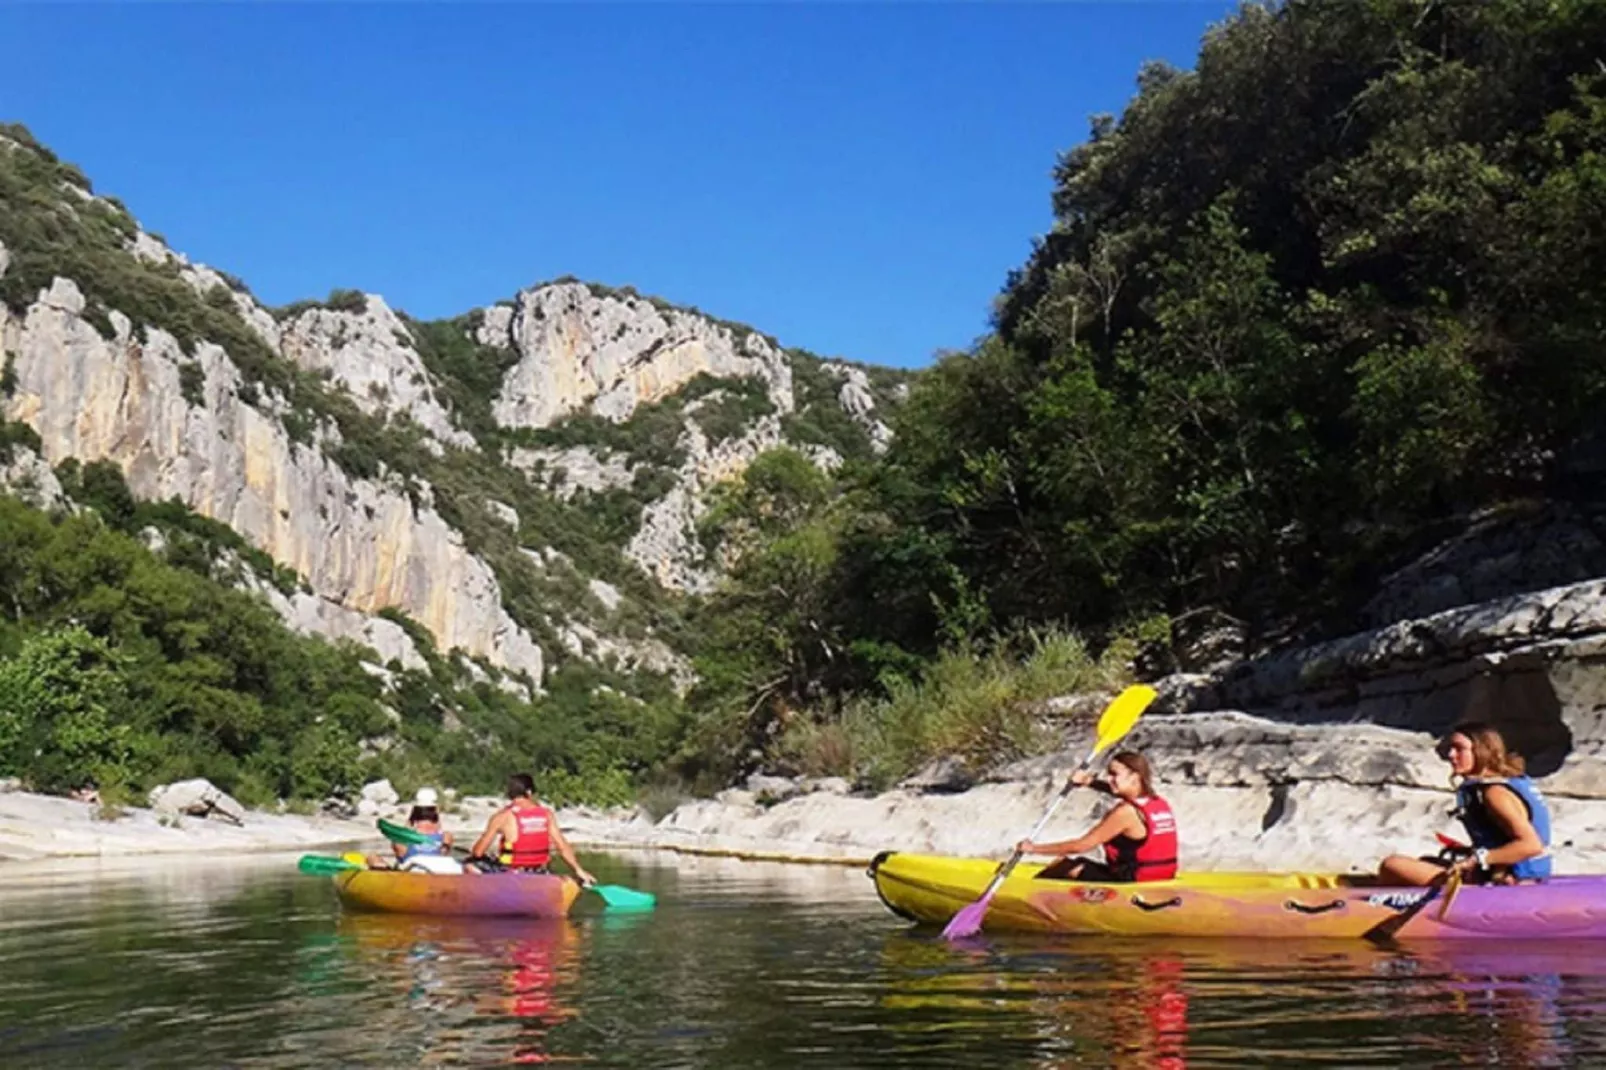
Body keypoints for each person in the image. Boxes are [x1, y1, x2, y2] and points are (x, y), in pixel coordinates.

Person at [1379, 721, 1551, 886]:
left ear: (1482, 751)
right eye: (1451, 748)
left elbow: (1531, 845)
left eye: (1459, 749)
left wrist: (1479, 858)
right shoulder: (1503, 784)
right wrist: (1471, 852)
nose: (1451, 755)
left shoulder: (1495, 793)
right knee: (1426, 862)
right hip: (1506, 875)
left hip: (1510, 882)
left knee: (1392, 865)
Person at [1017, 750, 1179, 882]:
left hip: (1131, 880)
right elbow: (1122, 793)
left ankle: (1030, 900)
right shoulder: (1157, 802)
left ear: (1134, 777)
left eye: (1114, 774)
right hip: (1162, 876)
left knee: (1063, 865)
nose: (1109, 779)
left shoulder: (1125, 812)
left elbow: (1081, 846)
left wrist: (1034, 849)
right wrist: (1089, 781)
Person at [469, 773, 595, 885]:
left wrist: (478, 854)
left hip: (514, 872)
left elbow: (478, 852)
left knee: (470, 866)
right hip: (540, 871)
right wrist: (579, 870)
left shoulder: (502, 816)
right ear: (529, 792)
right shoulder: (546, 814)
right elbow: (562, 846)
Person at [370, 786, 459, 872]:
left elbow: (399, 856)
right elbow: (443, 853)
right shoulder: (446, 837)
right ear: (436, 810)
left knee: (372, 857)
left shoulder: (400, 839)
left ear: (414, 811)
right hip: (435, 872)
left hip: (412, 872)